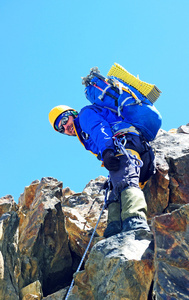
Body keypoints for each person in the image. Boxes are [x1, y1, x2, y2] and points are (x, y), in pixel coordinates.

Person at [49, 104, 155, 238]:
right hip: (128, 148)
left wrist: (107, 151)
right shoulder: (83, 133)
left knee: (125, 182)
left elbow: (99, 128)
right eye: (61, 128)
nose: (65, 127)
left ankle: (135, 221)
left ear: (73, 113)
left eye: (64, 121)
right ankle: (114, 228)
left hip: (125, 144)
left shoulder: (84, 115)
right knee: (115, 191)